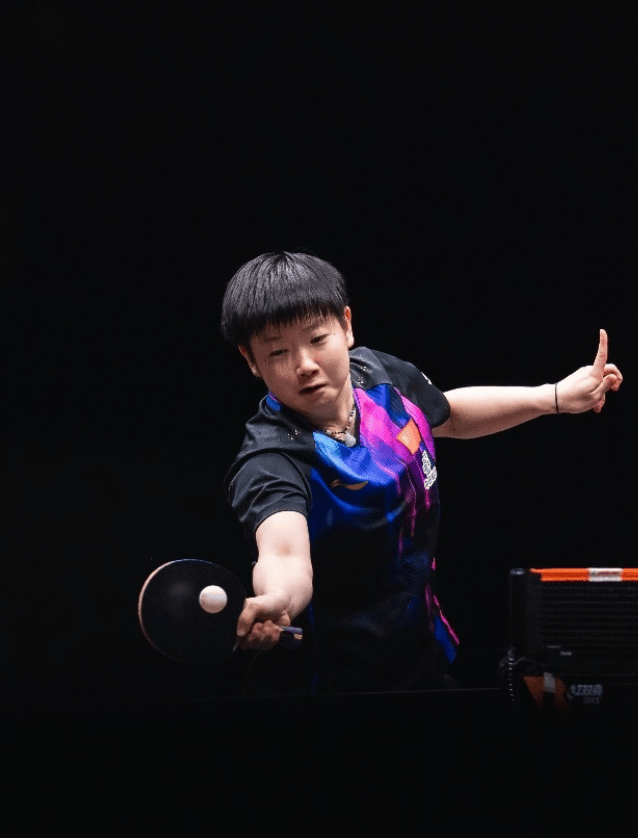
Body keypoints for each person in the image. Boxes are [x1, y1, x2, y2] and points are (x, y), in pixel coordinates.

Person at [221, 252, 621, 693]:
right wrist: (278, 599)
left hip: (419, 661)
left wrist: (555, 396)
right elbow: (284, 556)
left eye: (317, 338)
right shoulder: (271, 458)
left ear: (346, 326)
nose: (305, 364)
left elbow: (449, 415)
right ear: (251, 359)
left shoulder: (380, 376)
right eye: (278, 351)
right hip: (327, 690)